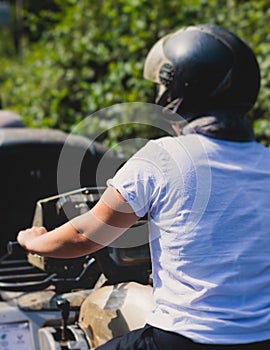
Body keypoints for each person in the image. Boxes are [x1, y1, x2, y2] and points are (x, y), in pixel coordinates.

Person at [17, 24, 270, 349]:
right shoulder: (264, 161)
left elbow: (84, 236)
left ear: (177, 88)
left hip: (186, 338)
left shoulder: (163, 157)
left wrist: (34, 241)